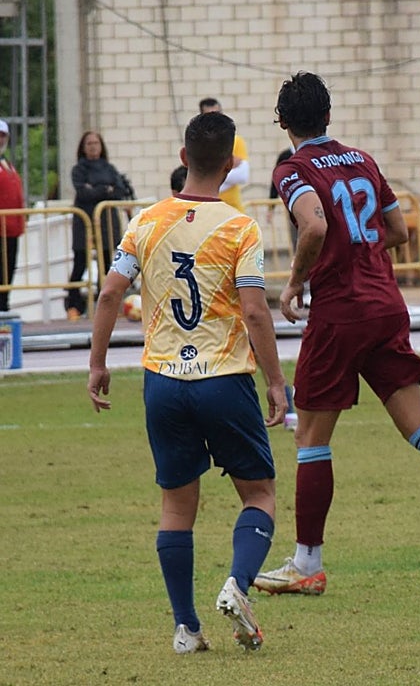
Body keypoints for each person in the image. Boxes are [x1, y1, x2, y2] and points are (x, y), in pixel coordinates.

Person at [255, 72, 420, 594]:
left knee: (311, 439)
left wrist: (295, 282)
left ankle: (307, 564)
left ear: (283, 123)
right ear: (329, 116)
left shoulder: (293, 168)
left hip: (339, 312)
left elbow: (313, 225)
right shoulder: (362, 160)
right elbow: (397, 231)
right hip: (385, 305)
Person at [87, 111, 288, 653]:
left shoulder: (146, 221)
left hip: (163, 383)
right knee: (261, 494)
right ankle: (238, 586)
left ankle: (185, 628)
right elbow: (255, 311)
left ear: (183, 160)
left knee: (176, 507)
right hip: (223, 380)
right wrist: (275, 379)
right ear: (228, 166)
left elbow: (109, 295)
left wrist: (98, 363)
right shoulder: (240, 227)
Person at [65, 131, 134, 320]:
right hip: (85, 221)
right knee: (80, 263)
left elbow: (119, 190)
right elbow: (83, 193)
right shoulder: (79, 169)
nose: (93, 146)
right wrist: (106, 189)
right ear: (83, 147)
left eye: (96, 143)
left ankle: (103, 304)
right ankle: (73, 305)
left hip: (106, 222)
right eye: (89, 143)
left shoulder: (109, 168)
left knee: (106, 264)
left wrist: (96, 189)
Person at [200, 98, 250, 213]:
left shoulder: (236, 141)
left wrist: (213, 169)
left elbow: (243, 175)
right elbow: (201, 176)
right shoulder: (199, 144)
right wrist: (228, 165)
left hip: (233, 208)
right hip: (208, 209)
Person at [0, 119, 23, 313]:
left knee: (8, 270)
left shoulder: (7, 163)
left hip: (11, 228)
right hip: (1, 227)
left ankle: (4, 305)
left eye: (2, 136)